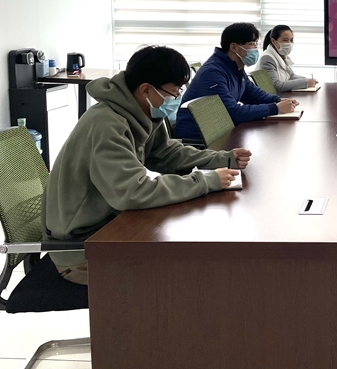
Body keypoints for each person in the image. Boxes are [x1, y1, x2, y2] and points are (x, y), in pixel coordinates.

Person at [42, 46, 251, 285]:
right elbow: (133, 192)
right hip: (82, 248)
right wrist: (207, 180)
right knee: (181, 278)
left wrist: (221, 159)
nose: (177, 98)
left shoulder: (143, 111)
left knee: (189, 260)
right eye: (173, 92)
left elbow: (166, 153)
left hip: (110, 225)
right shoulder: (106, 124)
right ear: (146, 90)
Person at [175, 22, 298, 140]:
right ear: (234, 47)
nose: (256, 48)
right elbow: (233, 113)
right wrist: (275, 108)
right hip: (199, 139)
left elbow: (253, 94)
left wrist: (278, 100)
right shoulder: (213, 72)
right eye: (251, 44)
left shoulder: (235, 67)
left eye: (256, 43)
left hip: (220, 131)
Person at [257, 25, 317, 92]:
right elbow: (276, 86)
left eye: (291, 40)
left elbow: (291, 76)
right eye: (285, 40)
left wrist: (307, 80)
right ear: (273, 41)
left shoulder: (282, 55)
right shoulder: (267, 58)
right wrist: (305, 82)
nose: (289, 43)